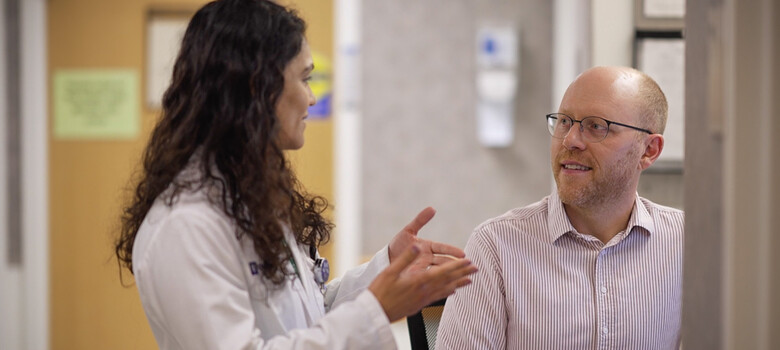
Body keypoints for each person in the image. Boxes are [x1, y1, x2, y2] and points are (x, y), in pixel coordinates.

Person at [114, 1, 477, 349]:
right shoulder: (186, 226)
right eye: (305, 79)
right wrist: (376, 309)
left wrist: (384, 271)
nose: (312, 99)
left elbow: (309, 319)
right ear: (258, 86)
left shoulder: (249, 199)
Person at [436, 66, 683, 349]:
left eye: (596, 126)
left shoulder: (685, 243)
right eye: (565, 121)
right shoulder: (496, 247)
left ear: (649, 150)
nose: (570, 140)